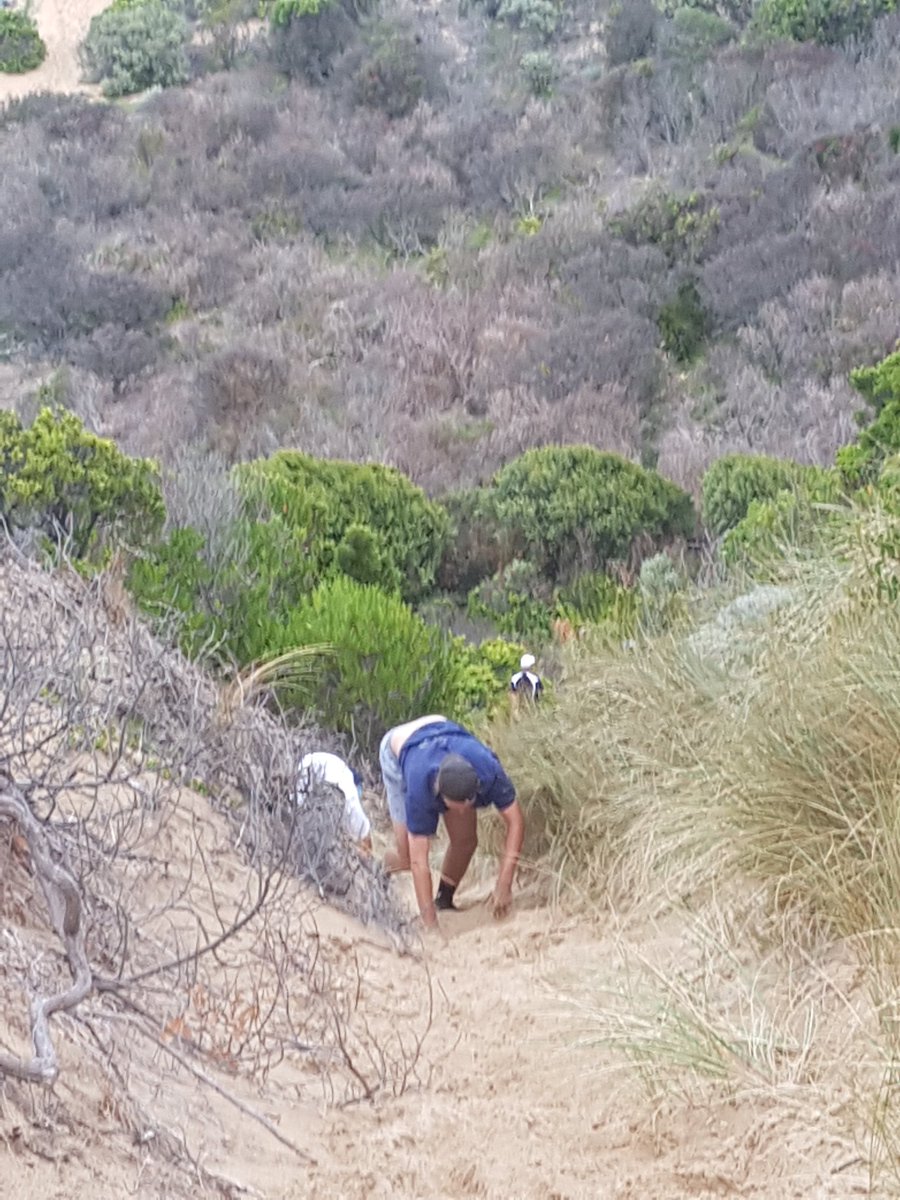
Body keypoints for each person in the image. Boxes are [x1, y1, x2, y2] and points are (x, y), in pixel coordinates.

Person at [379, 715, 525, 930]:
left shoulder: (488, 769)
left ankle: (444, 900)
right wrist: (431, 926)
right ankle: (375, 869)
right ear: (440, 796)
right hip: (398, 747)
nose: (465, 810)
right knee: (407, 857)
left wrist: (504, 883)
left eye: (470, 801)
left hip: (442, 729)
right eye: (458, 806)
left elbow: (516, 821)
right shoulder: (419, 790)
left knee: (465, 841)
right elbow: (420, 862)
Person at [296, 751, 372, 853]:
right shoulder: (347, 779)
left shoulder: (338, 766)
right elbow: (356, 818)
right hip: (324, 783)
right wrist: (365, 841)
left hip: (306, 768)